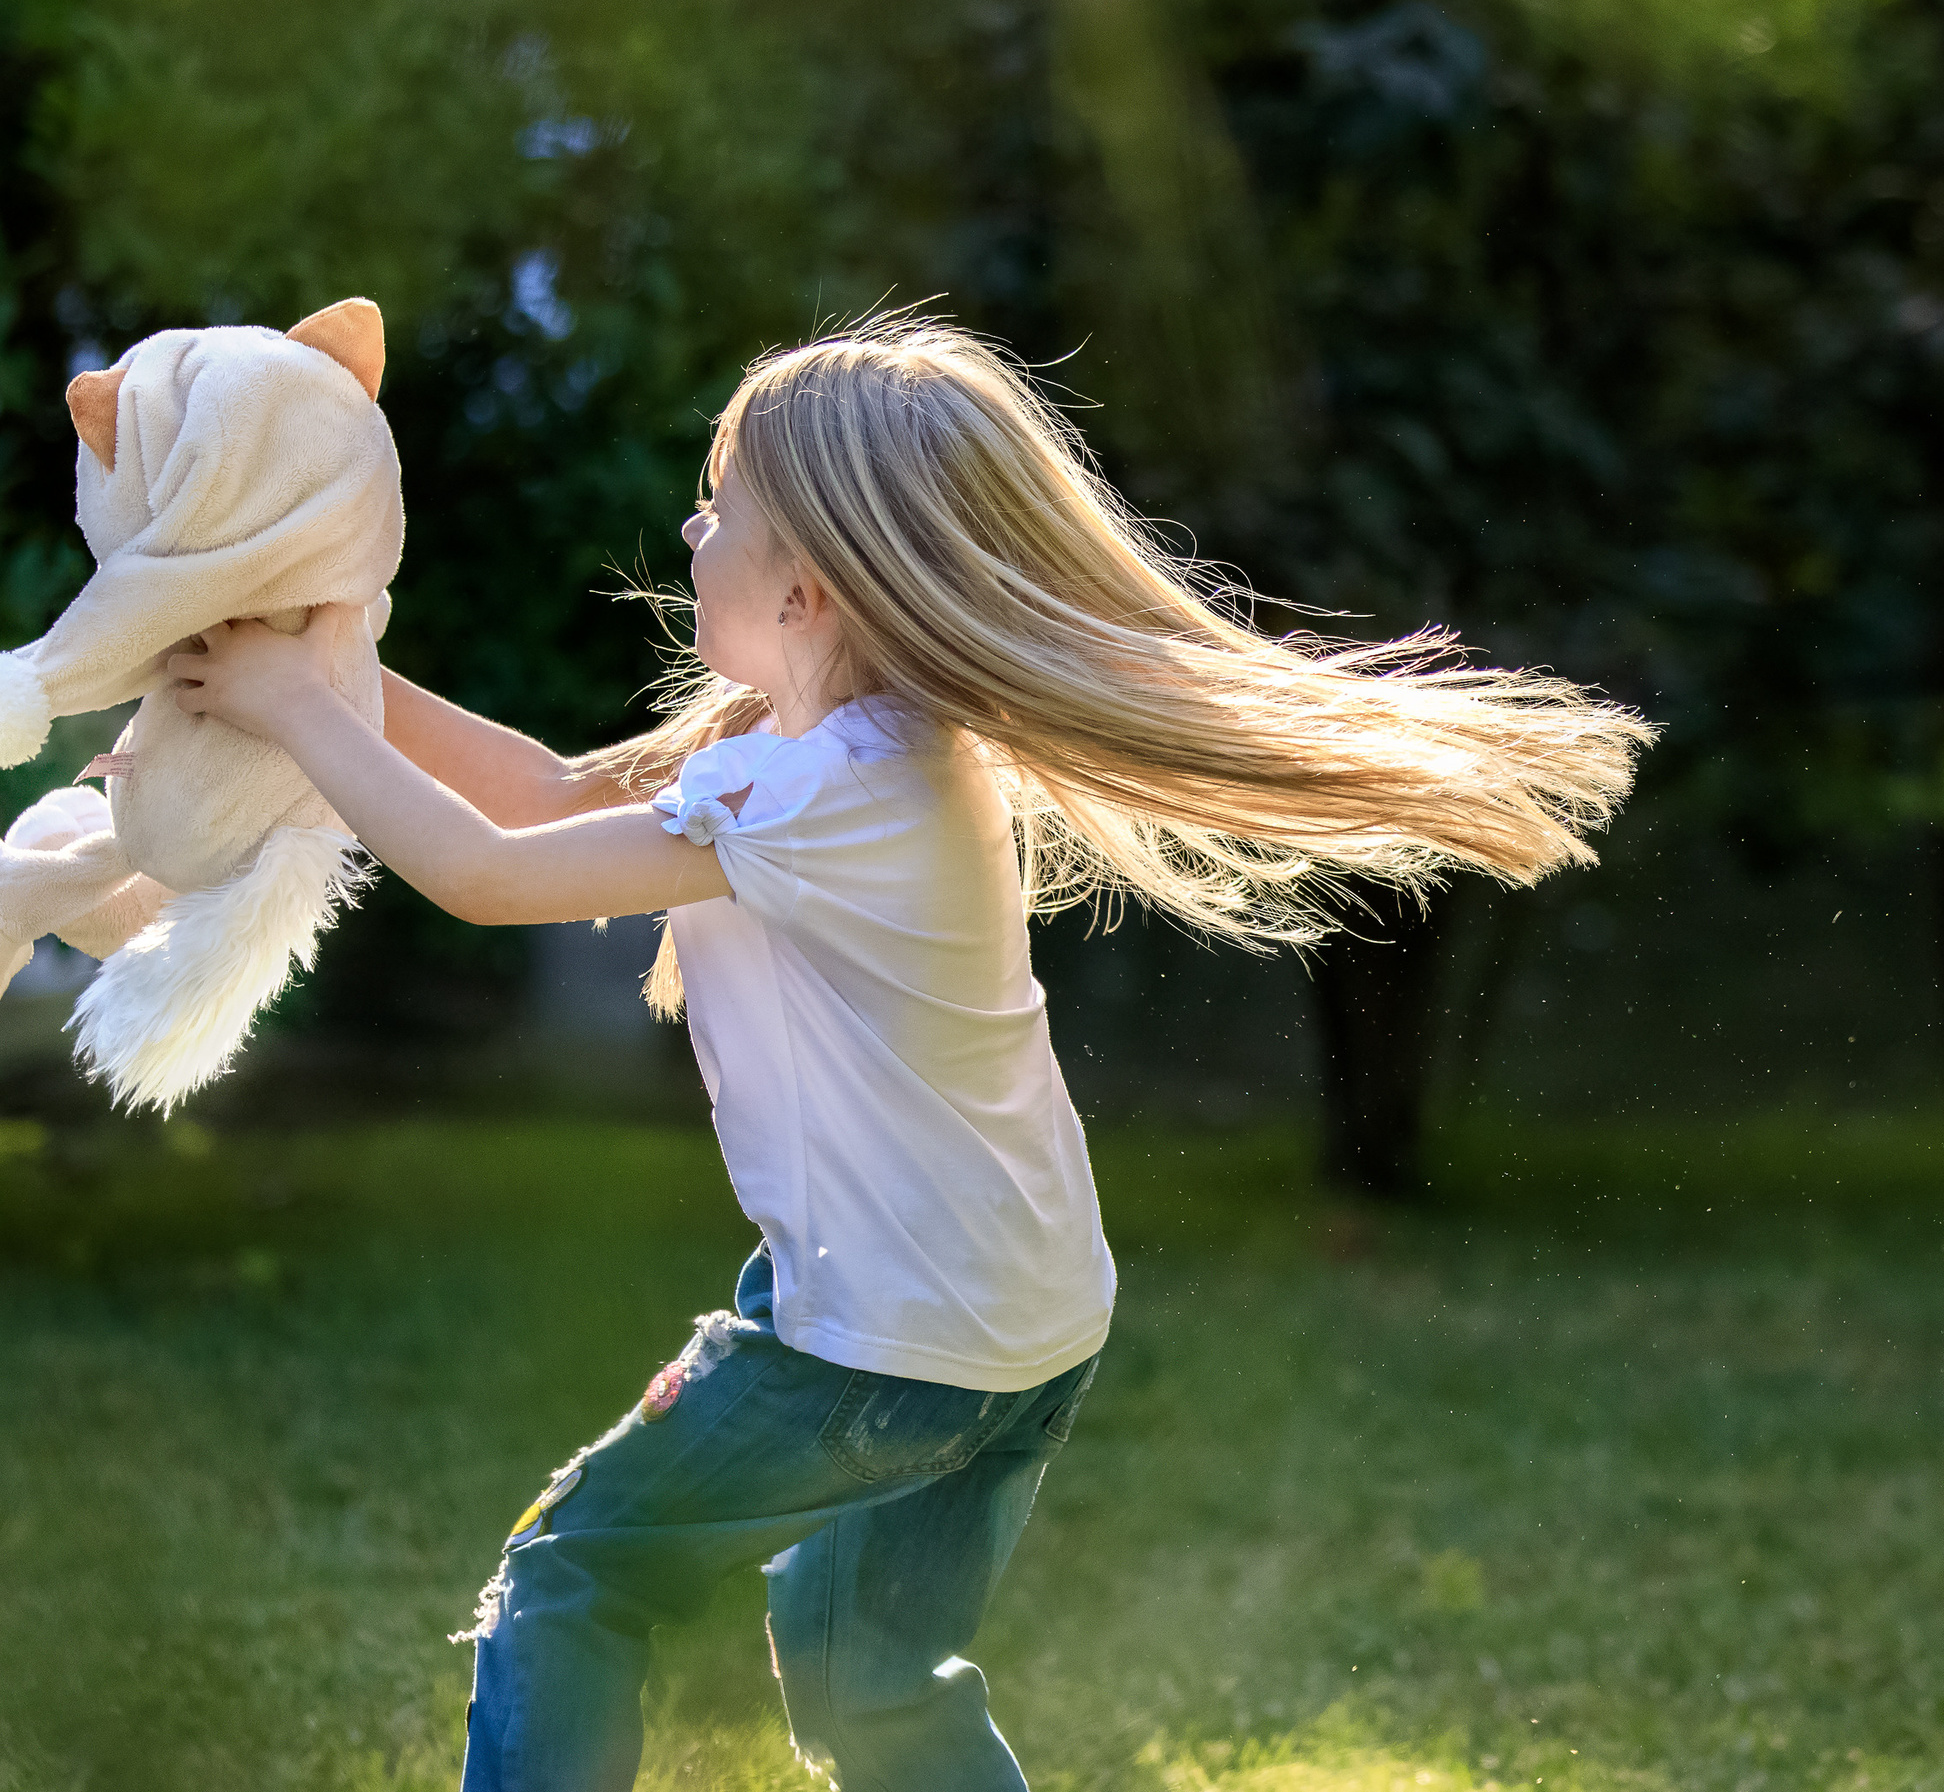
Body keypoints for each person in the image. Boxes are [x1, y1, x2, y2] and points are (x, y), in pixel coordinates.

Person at [166, 313, 1651, 1789]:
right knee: (876, 1684)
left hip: (885, 1342)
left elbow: (489, 873)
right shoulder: (846, 754)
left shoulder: (827, 795)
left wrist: (297, 706)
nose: (690, 527)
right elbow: (551, 796)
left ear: (804, 585)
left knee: (577, 1579)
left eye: (718, 507)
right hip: (1019, 1325)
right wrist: (330, 672)